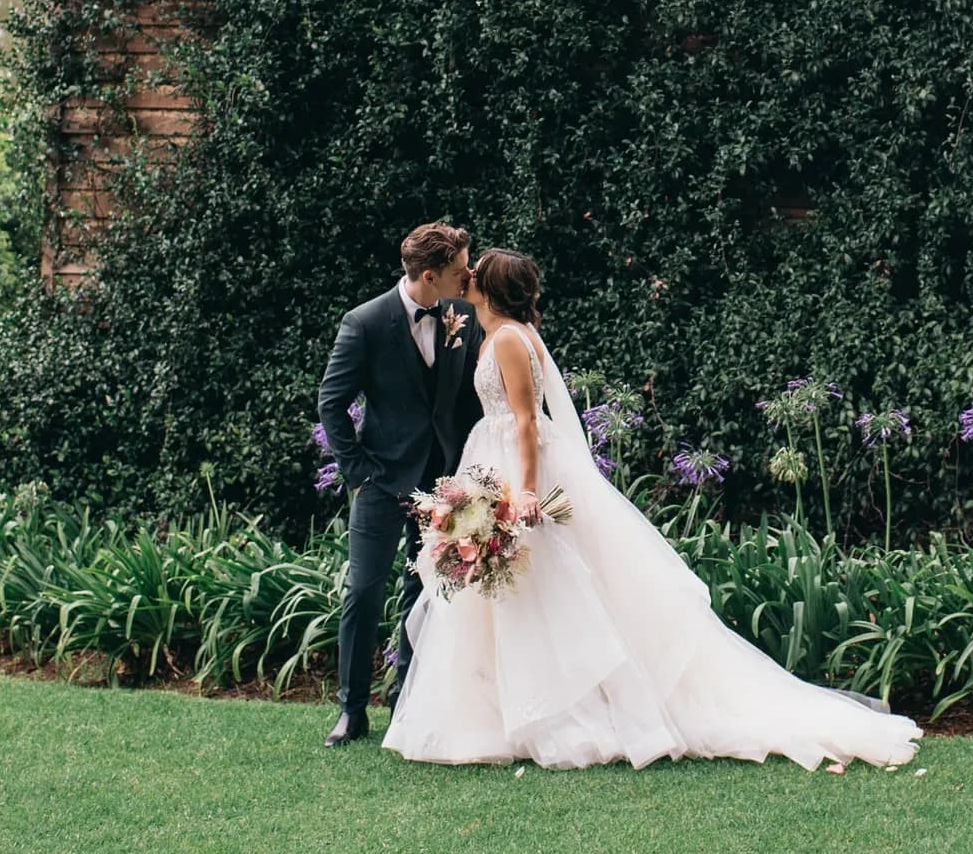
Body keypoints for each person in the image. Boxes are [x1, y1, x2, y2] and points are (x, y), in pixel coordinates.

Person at [381, 246, 921, 770]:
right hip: (490, 459)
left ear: (493, 288)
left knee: (542, 593)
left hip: (517, 467)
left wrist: (523, 493)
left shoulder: (508, 341)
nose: (467, 275)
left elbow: (524, 420)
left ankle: (561, 714)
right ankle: (502, 711)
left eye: (477, 271)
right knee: (518, 596)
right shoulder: (494, 333)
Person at [316, 221, 485, 747]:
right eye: (460, 270)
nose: (470, 275)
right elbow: (332, 403)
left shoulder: (464, 315)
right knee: (363, 592)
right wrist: (359, 474)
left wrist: (473, 469)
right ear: (430, 276)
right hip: (381, 484)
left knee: (425, 593)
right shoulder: (364, 322)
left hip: (442, 485)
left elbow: (470, 399)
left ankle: (406, 702)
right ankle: (351, 710)